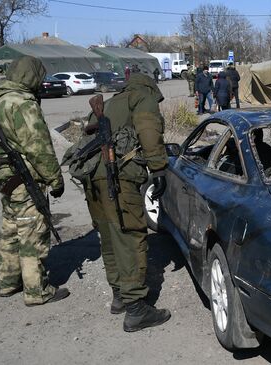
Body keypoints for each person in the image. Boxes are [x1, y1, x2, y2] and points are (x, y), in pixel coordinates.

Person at [83, 73, 171, 332]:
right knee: (130, 236)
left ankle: (119, 296)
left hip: (93, 178)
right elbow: (148, 130)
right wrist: (158, 168)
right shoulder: (142, 97)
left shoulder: (110, 103)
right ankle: (136, 310)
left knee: (110, 237)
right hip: (117, 177)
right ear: (149, 87)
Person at [0, 55, 69, 306]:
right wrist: (55, 179)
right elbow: (39, 147)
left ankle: (8, 282)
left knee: (10, 229)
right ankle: (37, 291)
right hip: (25, 178)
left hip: (4, 176)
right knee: (32, 232)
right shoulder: (23, 104)